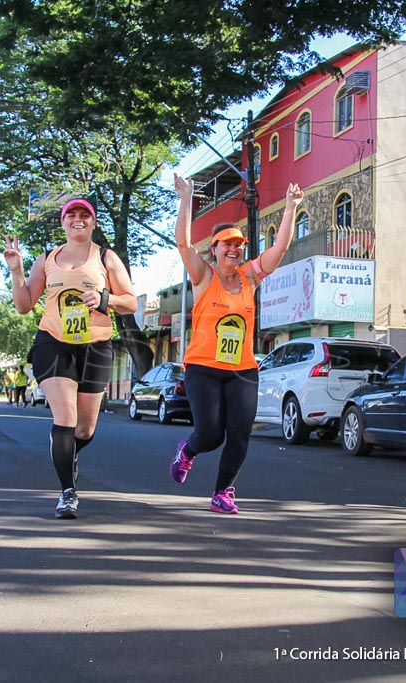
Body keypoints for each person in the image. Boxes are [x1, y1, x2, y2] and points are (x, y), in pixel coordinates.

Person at [169, 174, 304, 514]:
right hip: (203, 368)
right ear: (213, 249)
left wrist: (290, 207)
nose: (234, 248)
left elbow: (280, 248)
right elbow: (184, 244)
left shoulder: (250, 277)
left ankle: (222, 491)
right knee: (211, 434)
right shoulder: (203, 276)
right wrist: (187, 198)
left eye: (239, 244)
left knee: (240, 433)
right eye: (226, 244)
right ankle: (188, 451)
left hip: (242, 369)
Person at [3, 197, 138, 519]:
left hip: (95, 345)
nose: (78, 220)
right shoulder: (47, 259)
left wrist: (105, 298)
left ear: (93, 222)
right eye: (71, 215)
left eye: (85, 215)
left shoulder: (105, 257)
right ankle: (67, 492)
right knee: (65, 418)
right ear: (63, 222)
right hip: (53, 342)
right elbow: (23, 305)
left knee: (85, 429)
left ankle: (67, 454)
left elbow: (131, 302)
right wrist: (17, 271)